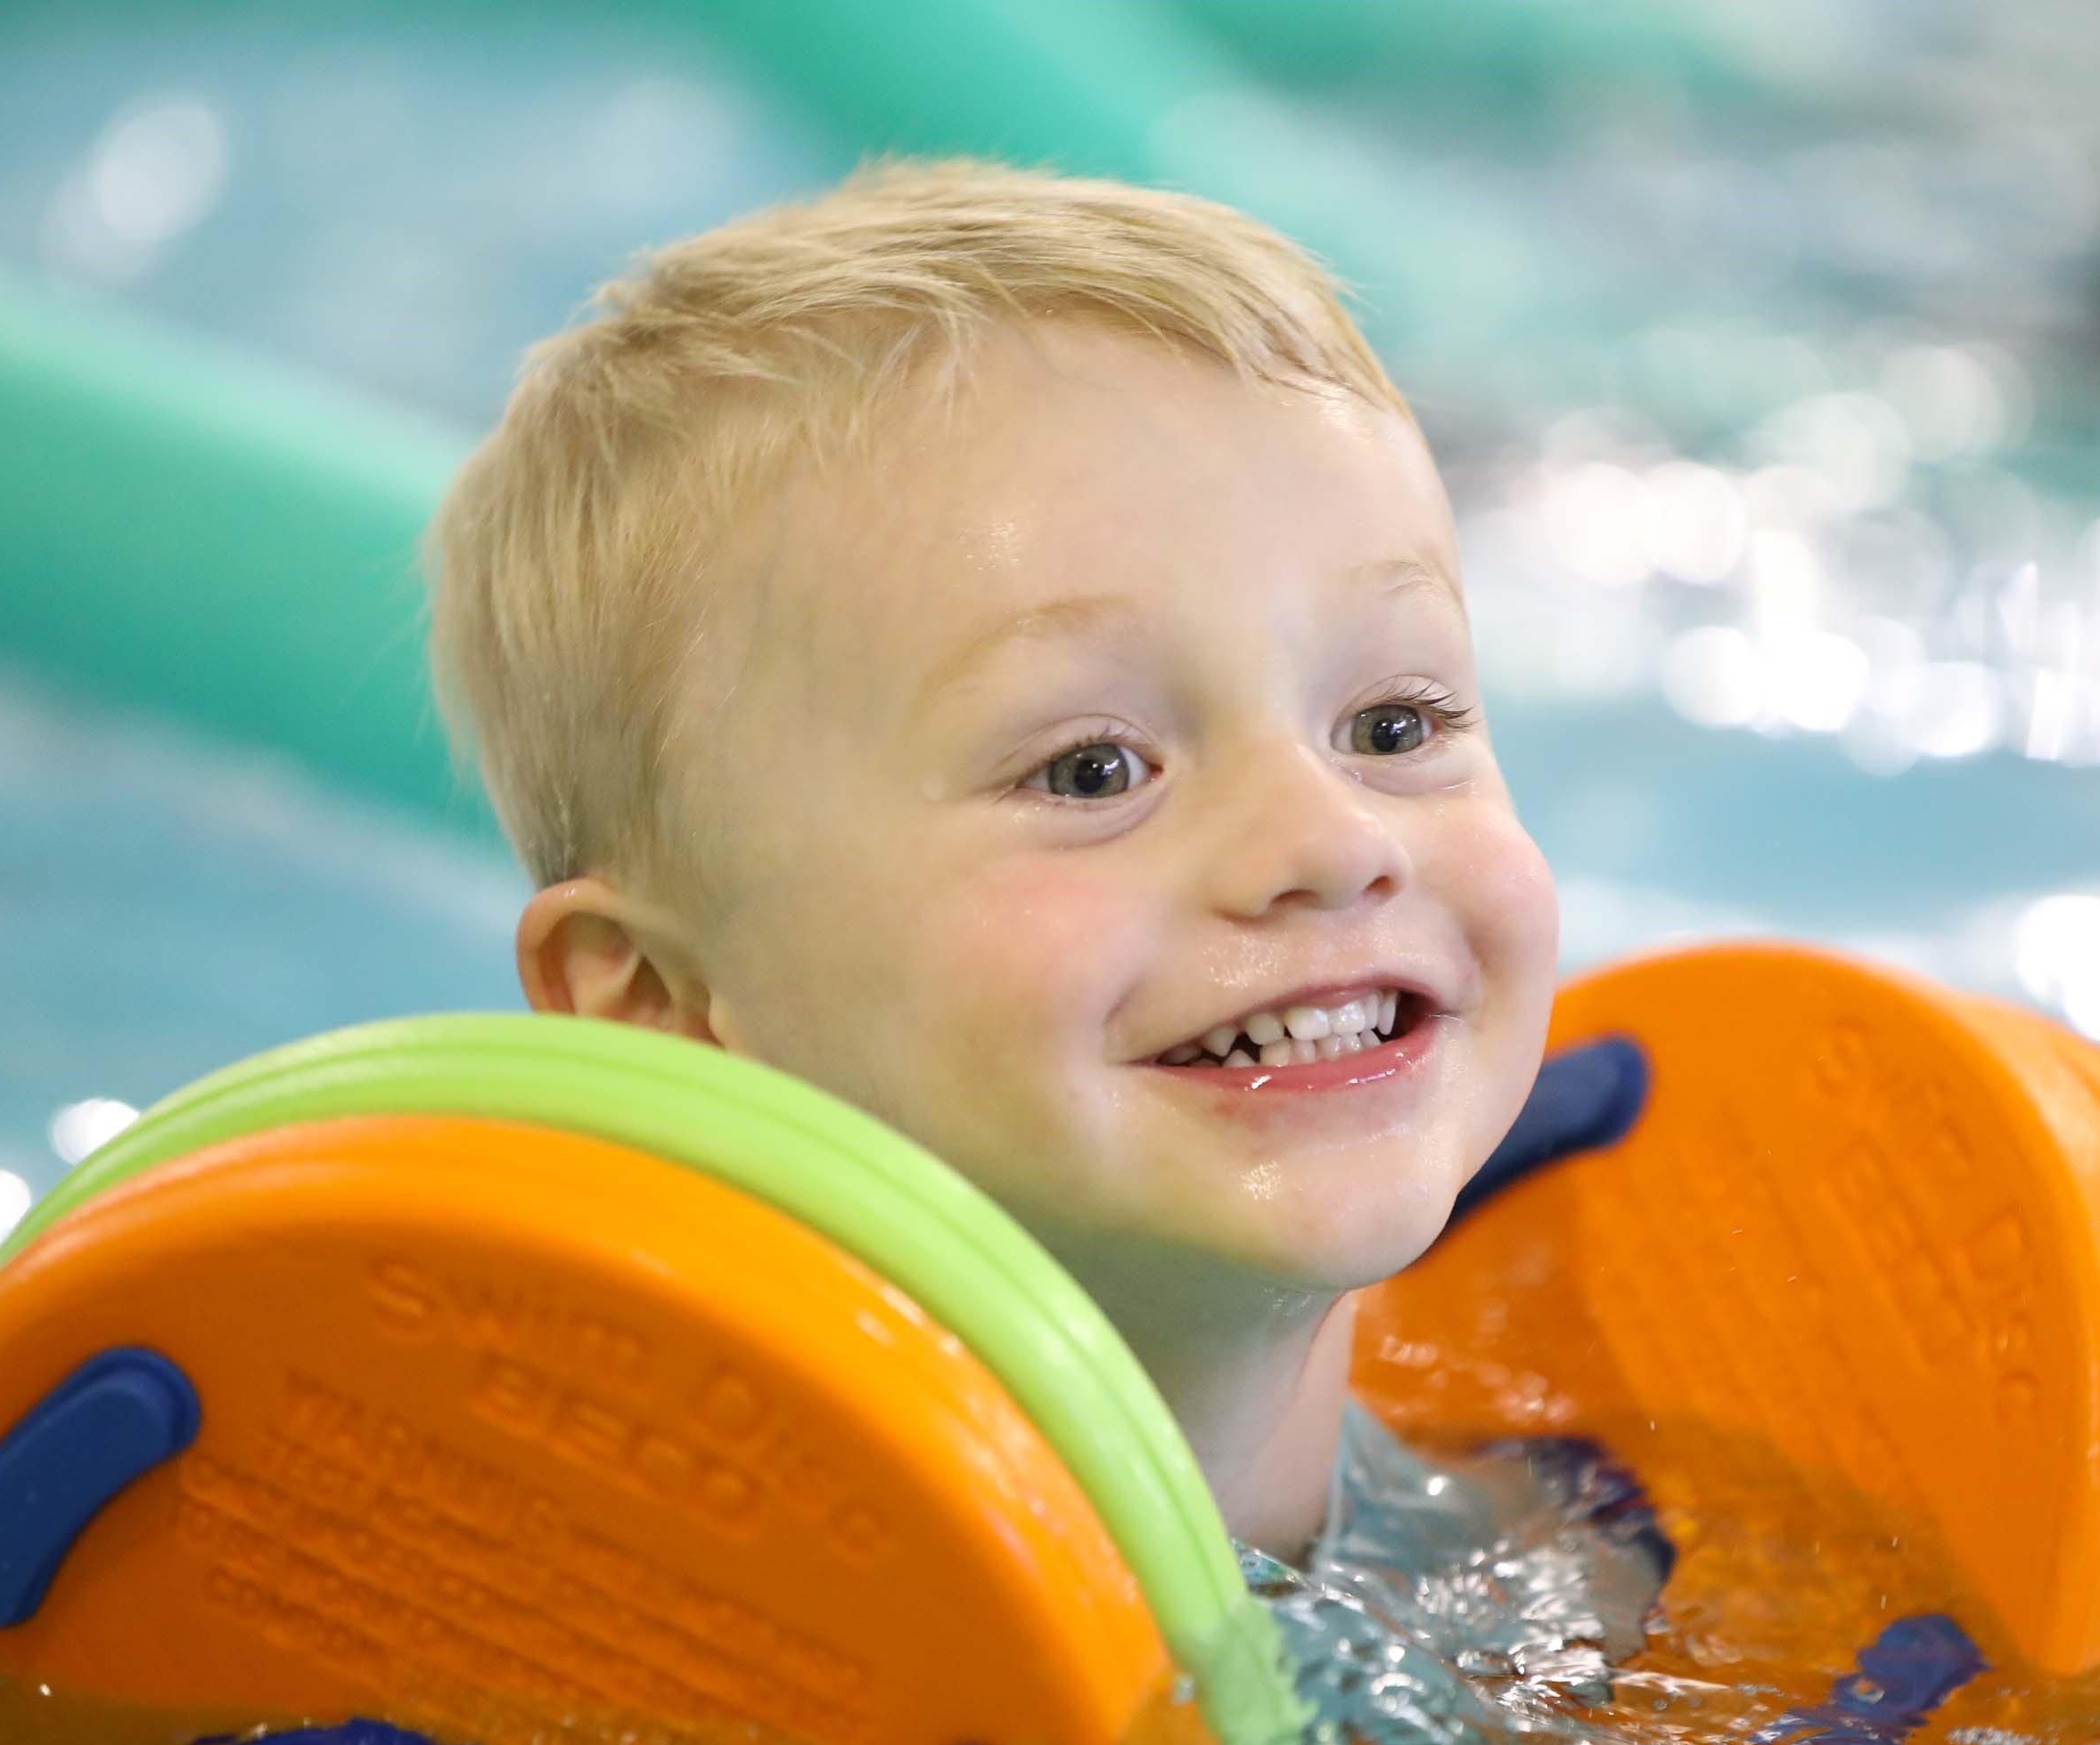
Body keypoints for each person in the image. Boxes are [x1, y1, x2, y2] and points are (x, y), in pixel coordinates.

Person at [423, 156, 1563, 1558]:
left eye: (1393, 723)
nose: (1333, 842)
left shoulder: (1584, 1534)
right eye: (1093, 771)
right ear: (662, 1004)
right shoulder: (595, 1707)